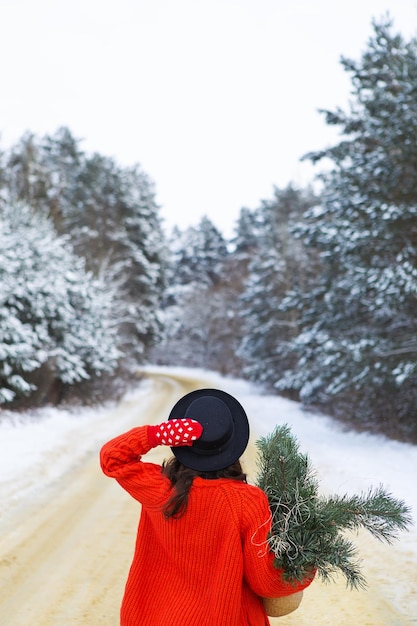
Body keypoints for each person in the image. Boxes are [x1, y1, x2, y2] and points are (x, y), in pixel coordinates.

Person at [100, 388, 315, 626]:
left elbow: (112, 458)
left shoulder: (158, 488)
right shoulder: (247, 501)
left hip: (157, 618)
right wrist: (307, 558)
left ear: (181, 443)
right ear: (233, 444)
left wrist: (156, 434)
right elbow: (266, 581)